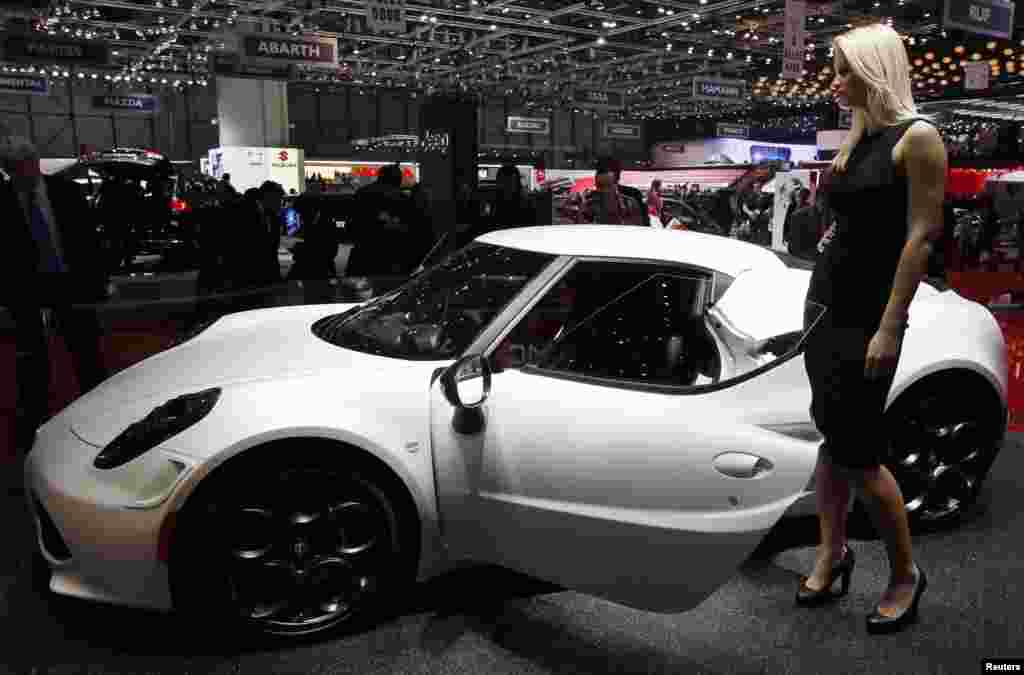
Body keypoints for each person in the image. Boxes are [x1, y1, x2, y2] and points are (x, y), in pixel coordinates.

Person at [798, 22, 942, 634]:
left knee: (858, 453)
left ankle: (906, 574)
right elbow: (846, 231)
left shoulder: (919, 138)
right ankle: (833, 553)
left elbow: (920, 237)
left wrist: (891, 325)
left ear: (875, 70)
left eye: (843, 70)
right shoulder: (858, 139)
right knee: (832, 438)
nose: (834, 81)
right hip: (825, 308)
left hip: (868, 317)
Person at [0, 127, 108, 455]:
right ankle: (34, 422)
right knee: (31, 360)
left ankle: (102, 412)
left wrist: (98, 282)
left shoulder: (65, 192)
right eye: (13, 165)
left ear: (34, 162)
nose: (21, 170)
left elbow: (89, 242)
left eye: (25, 163)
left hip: (72, 287)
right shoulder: (2, 200)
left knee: (86, 353)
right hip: (25, 293)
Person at [347, 164, 410, 276]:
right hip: (391, 256)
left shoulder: (362, 193)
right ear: (397, 180)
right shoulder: (402, 198)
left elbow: (351, 224)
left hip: (363, 253)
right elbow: (408, 229)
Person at [576, 158, 644, 225]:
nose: (603, 191)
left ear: (616, 182)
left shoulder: (630, 203)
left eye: (607, 185)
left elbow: (638, 227)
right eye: (600, 186)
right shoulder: (587, 206)